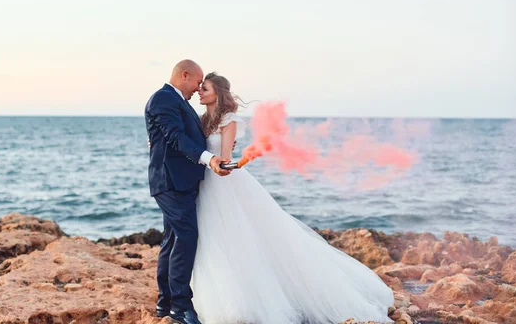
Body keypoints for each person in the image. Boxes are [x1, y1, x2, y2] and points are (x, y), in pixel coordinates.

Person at [190, 72, 395, 324]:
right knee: (212, 238)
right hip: (205, 182)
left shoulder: (229, 120)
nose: (200, 92)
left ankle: (251, 299)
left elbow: (224, 155)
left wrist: (222, 164)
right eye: (199, 88)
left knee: (237, 237)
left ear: (218, 93)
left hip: (223, 182)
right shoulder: (201, 119)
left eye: (205, 88)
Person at [144, 60, 230, 324]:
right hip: (170, 181)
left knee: (172, 241)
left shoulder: (177, 101)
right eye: (197, 82)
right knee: (186, 236)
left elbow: (182, 135)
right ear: (184, 75)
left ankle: (165, 302)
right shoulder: (163, 99)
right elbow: (176, 137)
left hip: (182, 182)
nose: (197, 88)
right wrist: (208, 158)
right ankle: (180, 306)